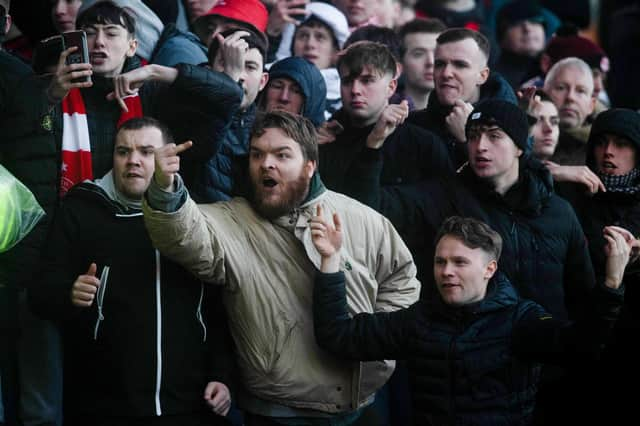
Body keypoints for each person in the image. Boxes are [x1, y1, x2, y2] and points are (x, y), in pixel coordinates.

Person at [142, 110, 420, 426]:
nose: (266, 163)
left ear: (310, 165)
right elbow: (183, 235)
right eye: (257, 154)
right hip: (275, 413)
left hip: (360, 408)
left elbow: (402, 281)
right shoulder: (230, 221)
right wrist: (165, 189)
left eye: (281, 154)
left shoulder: (363, 220)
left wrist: (376, 345)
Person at [311, 214, 630, 425]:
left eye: (459, 262)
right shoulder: (420, 320)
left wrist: (612, 284)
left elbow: (582, 349)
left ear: (489, 268)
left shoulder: (520, 319)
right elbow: (338, 336)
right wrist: (330, 260)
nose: (446, 271)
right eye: (440, 262)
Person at [29, 117, 235, 426]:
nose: (133, 160)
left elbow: (219, 307)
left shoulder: (194, 216)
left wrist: (222, 375)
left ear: (168, 159)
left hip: (188, 404)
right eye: (123, 151)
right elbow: (40, 292)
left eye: (146, 152)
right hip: (101, 406)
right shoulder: (81, 208)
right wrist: (69, 292)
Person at [408, 28, 517, 168]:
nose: (446, 73)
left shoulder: (511, 128)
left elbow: (503, 187)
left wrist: (467, 139)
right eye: (440, 64)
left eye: (460, 65)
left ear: (482, 76)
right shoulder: (412, 126)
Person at [542, 57, 596, 166]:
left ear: (592, 105)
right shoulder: (525, 139)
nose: (570, 97)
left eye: (581, 91)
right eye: (561, 88)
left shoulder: (601, 151)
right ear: (544, 95)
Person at [258, 56, 326, 127]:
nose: (283, 98)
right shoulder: (246, 131)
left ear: (312, 103)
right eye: (277, 87)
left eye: (296, 91)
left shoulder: (330, 136)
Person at [397, 18, 447, 111]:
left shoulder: (462, 113)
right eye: (418, 54)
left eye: (437, 53)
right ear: (400, 62)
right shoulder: (383, 113)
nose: (431, 62)